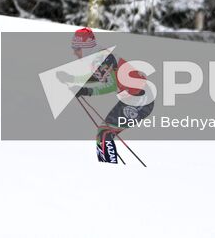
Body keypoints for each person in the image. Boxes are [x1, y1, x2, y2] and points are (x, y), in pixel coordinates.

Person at [61, 27, 152, 163]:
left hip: (141, 99)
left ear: (85, 47)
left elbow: (110, 85)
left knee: (104, 133)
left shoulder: (100, 59)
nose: (74, 52)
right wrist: (74, 81)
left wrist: (87, 91)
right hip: (134, 98)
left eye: (77, 48)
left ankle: (108, 170)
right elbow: (101, 78)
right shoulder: (98, 56)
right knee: (103, 133)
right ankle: (107, 167)